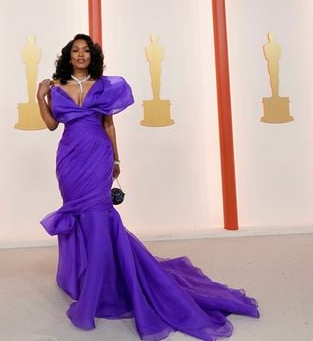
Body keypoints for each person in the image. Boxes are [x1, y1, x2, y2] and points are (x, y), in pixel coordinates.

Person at [36, 33, 259, 340]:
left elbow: (108, 124)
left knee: (100, 218)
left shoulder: (103, 86)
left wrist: (115, 159)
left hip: (97, 156)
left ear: (92, 56)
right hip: (69, 160)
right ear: (68, 55)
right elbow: (51, 125)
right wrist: (39, 98)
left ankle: (93, 296)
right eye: (75, 50)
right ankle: (84, 277)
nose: (81, 54)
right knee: (77, 219)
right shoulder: (55, 88)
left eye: (86, 50)